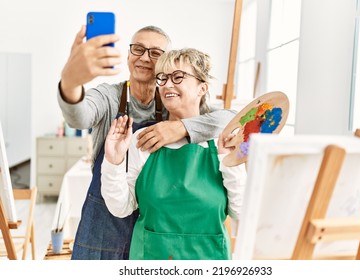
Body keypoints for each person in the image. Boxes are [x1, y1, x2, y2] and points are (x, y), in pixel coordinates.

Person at [57, 25, 236, 260]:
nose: (144, 57)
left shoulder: (173, 102)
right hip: (107, 218)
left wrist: (180, 127)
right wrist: (70, 83)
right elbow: (78, 117)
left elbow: (229, 119)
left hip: (157, 223)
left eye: (155, 53)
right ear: (129, 55)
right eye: (138, 49)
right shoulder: (109, 97)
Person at [101, 48, 246, 260]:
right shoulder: (145, 138)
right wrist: (114, 161)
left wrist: (228, 160)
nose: (167, 84)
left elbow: (241, 211)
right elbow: (121, 208)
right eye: (162, 78)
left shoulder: (222, 141)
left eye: (178, 77)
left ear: (202, 88)